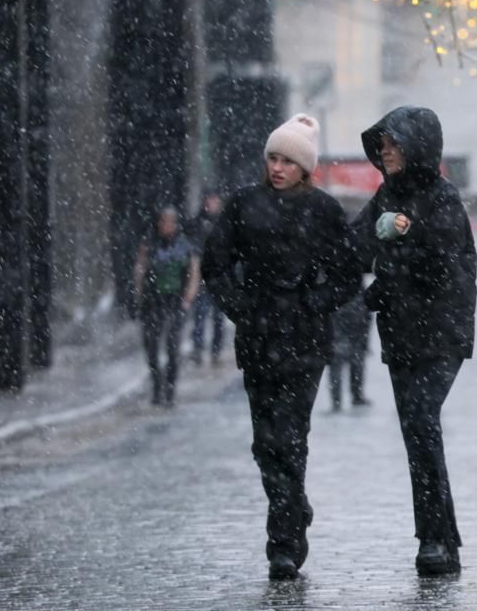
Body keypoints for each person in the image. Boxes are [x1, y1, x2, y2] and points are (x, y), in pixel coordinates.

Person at [201, 114, 360, 580]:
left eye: (288, 161)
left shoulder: (325, 211)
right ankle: (295, 505)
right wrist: (241, 307)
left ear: (304, 167)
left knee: (290, 438)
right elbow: (215, 263)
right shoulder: (244, 205)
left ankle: (284, 544)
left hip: (305, 341)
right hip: (258, 338)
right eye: (273, 157)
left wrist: (314, 301)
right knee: (265, 442)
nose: (277, 167)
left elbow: (348, 274)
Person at [353, 106, 477, 576]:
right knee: (417, 434)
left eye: (393, 141)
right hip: (401, 335)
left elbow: (440, 268)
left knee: (423, 422)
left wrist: (389, 265)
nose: (384, 150)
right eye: (381, 142)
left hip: (441, 336)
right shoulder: (385, 196)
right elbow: (354, 246)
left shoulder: (443, 199)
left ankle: (433, 538)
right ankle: (441, 540)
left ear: (416, 146)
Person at [133, 206, 201, 407]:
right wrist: (140, 295)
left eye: (170, 222)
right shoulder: (150, 245)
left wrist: (187, 298)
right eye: (163, 222)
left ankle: (170, 389)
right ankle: (157, 386)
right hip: (152, 302)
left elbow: (193, 273)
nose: (166, 226)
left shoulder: (185, 247)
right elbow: (140, 271)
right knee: (152, 348)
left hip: (174, 301)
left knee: (172, 348)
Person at [187, 190, 225, 366]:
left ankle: (215, 350)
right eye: (210, 200)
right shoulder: (197, 224)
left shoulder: (225, 222)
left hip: (219, 278)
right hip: (202, 277)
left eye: (215, 200)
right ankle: (198, 349)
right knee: (200, 315)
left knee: (217, 318)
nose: (212, 204)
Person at [328, 281, 372, 411]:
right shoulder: (357, 289)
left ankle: (340, 400)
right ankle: (349, 398)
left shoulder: (337, 287)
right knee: (350, 366)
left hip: (348, 334)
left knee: (343, 368)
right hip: (348, 334)